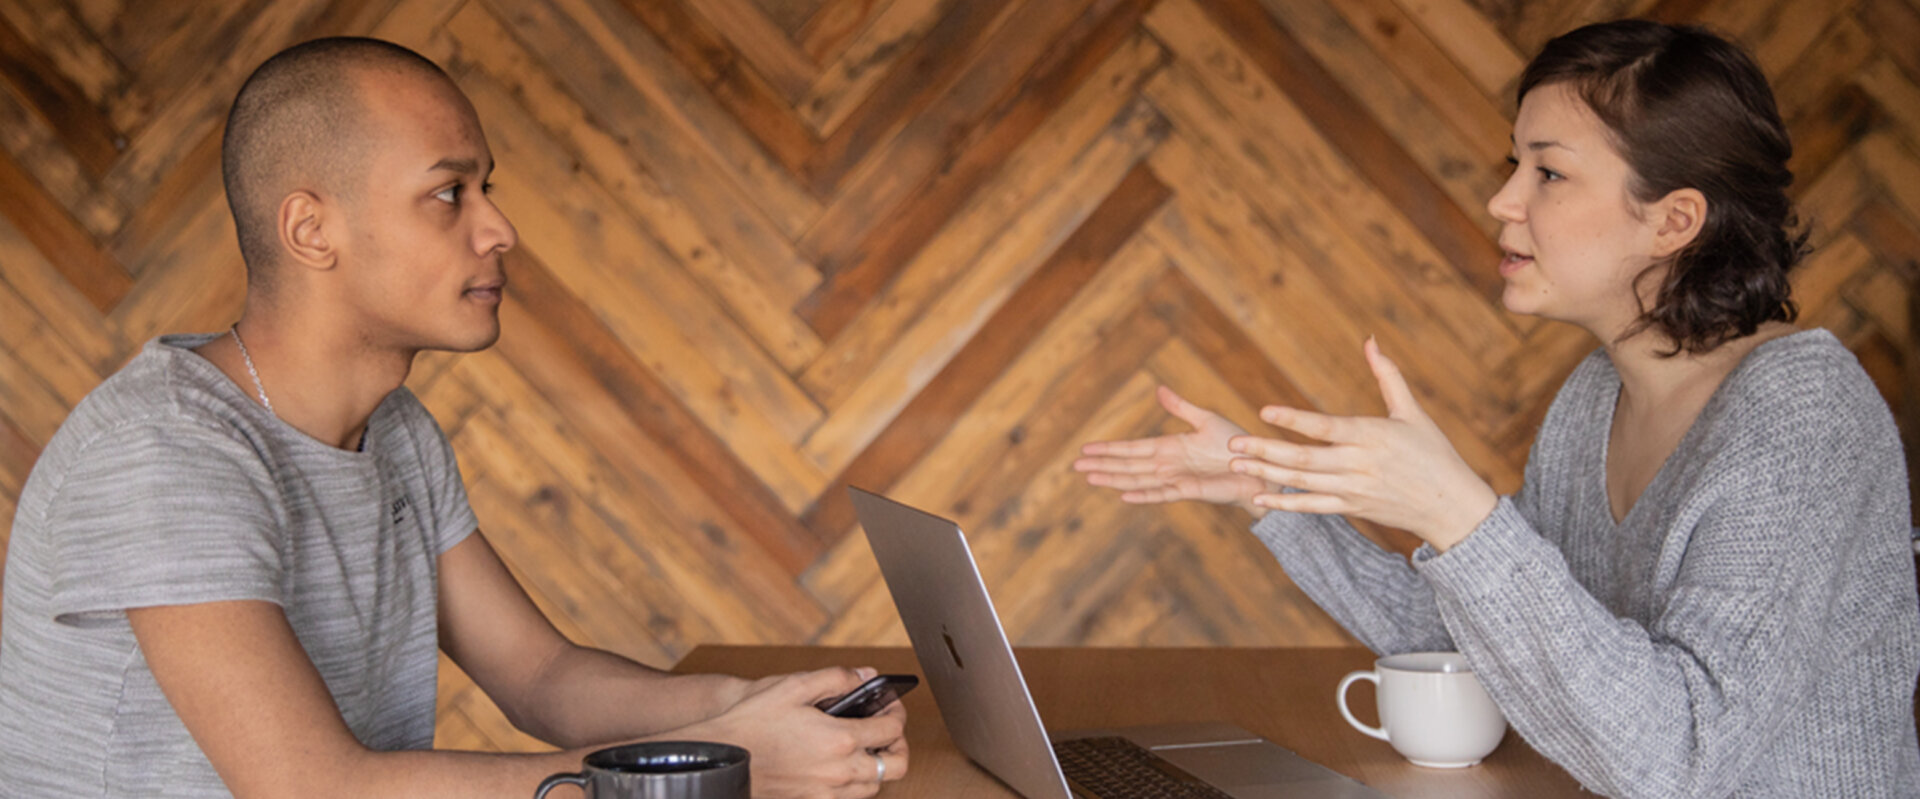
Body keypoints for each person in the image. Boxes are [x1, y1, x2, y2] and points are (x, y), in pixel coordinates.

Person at [0, 37, 907, 799]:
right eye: (450, 193)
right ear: (312, 230)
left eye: (488, 189)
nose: (499, 228)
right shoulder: (164, 450)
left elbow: (542, 679)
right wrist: (723, 764)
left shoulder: (395, 432)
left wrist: (759, 703)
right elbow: (313, 787)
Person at [1076, 19, 1919, 797]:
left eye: (1548, 172)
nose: (1503, 201)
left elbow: (1680, 757)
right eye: (1513, 164)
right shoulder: (1594, 400)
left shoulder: (1803, 421)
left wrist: (1460, 515)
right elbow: (1475, 638)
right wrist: (1265, 490)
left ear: (1674, 221)